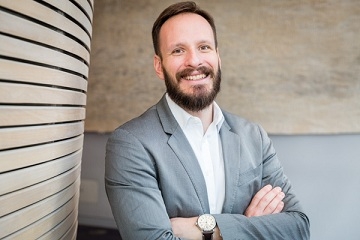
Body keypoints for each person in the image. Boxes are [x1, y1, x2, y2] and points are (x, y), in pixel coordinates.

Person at [105, 1, 310, 239]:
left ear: (218, 56)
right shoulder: (130, 144)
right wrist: (250, 227)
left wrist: (209, 229)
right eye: (178, 50)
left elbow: (298, 227)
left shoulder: (254, 136)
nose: (194, 61)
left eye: (204, 47)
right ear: (159, 66)